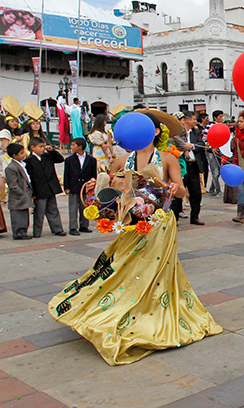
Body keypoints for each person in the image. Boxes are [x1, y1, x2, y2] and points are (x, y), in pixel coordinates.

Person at [48, 110, 222, 365]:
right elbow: (109, 188)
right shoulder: (121, 161)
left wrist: (174, 187)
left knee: (154, 270)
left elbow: (183, 188)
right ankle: (117, 308)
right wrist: (94, 186)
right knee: (122, 266)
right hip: (130, 225)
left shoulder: (166, 159)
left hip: (159, 224)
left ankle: (150, 311)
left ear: (155, 132)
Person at [25, 137, 66, 238]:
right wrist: (32, 192)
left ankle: (57, 229)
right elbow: (29, 178)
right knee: (39, 212)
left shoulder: (48, 156)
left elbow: (60, 159)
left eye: (44, 146)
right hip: (39, 189)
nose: (43, 149)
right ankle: (37, 231)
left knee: (53, 209)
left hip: (51, 187)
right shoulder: (29, 161)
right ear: (32, 147)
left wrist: (52, 151)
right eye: (40, 147)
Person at [63, 137, 97, 236]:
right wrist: (66, 187)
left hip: (85, 188)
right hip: (74, 186)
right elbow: (66, 174)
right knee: (73, 207)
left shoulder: (91, 160)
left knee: (85, 206)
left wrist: (92, 185)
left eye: (73, 145)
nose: (71, 147)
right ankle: (73, 227)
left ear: (80, 147)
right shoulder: (69, 160)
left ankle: (84, 225)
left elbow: (93, 174)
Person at [4, 143, 32, 239]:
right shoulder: (11, 168)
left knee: (24, 215)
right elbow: (12, 184)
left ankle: (23, 231)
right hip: (18, 197)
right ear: (14, 155)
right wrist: (21, 193)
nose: (23, 155)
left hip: (24, 195)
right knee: (17, 216)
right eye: (21, 153)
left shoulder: (22, 164)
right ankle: (18, 233)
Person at [205, 110, 224, 195]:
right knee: (215, 171)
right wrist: (211, 147)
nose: (222, 118)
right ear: (215, 118)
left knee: (219, 170)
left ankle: (212, 188)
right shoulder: (210, 126)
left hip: (219, 151)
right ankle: (218, 189)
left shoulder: (222, 126)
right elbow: (205, 139)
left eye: (222, 116)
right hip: (210, 151)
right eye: (220, 116)